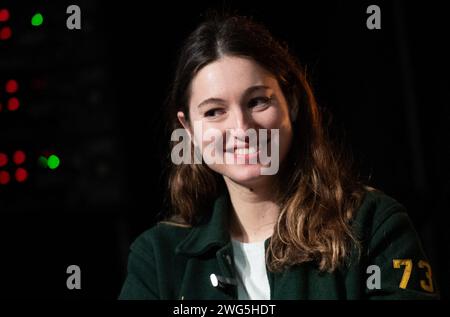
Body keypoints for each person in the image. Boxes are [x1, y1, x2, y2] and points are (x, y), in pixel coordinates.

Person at [119, 13, 439, 300]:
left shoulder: (373, 225)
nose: (242, 128)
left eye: (257, 101)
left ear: (293, 102)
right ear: (188, 129)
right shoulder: (157, 258)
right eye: (215, 111)